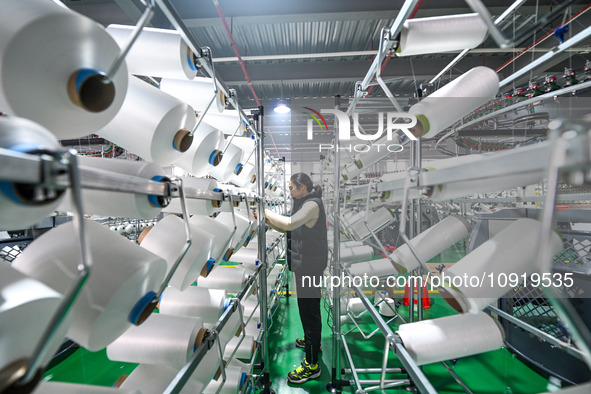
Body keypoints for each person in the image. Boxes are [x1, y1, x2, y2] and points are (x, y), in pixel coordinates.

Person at [254, 173, 328, 384]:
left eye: (291, 188)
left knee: (309, 310)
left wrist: (265, 211)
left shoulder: (312, 204)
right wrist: (267, 220)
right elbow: (290, 229)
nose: (290, 191)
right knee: (306, 308)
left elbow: (288, 223)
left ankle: (312, 365)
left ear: (302, 187)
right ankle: (312, 341)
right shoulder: (303, 203)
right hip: (305, 264)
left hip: (310, 267)